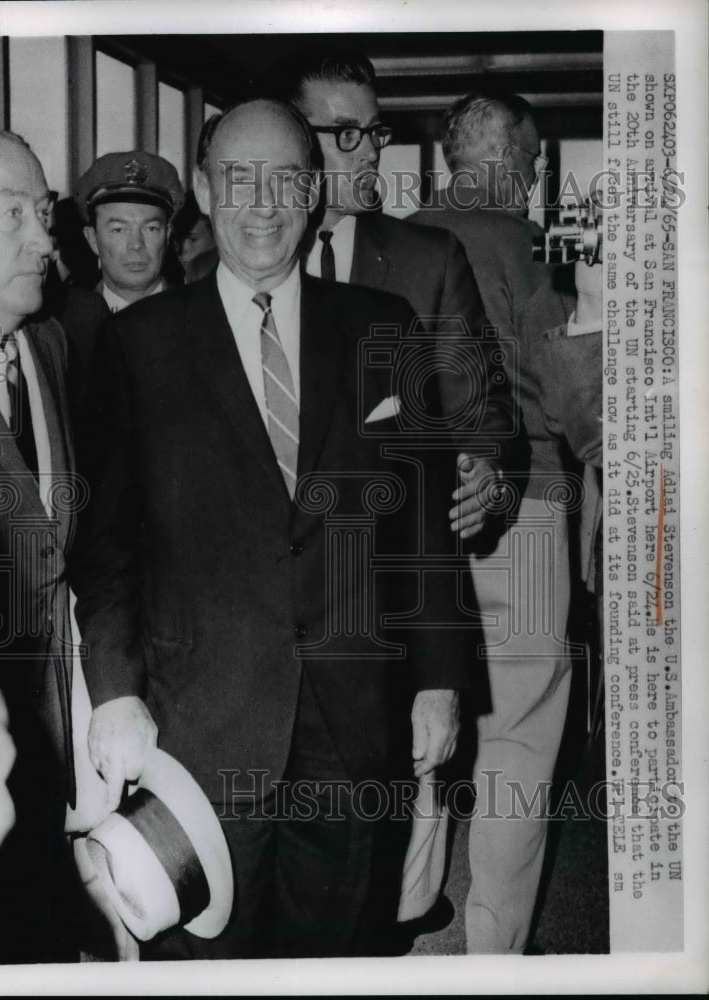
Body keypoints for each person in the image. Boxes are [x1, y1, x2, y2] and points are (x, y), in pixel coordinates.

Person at [71, 98, 472, 959]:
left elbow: (422, 534)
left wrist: (439, 679)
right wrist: (115, 692)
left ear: (314, 190)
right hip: (199, 723)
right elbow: (108, 547)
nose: (262, 203)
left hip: (358, 714)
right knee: (209, 957)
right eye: (239, 180)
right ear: (207, 196)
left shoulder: (382, 325)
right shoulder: (139, 343)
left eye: (285, 178)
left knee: (349, 953)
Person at [410, 94, 578, 955]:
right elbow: (565, 390)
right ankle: (493, 951)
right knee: (516, 736)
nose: (534, 178)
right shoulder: (518, 245)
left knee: (424, 723)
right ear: (510, 163)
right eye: (534, 161)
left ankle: (410, 910)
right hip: (526, 508)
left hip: (421, 518)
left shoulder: (399, 237)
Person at [266, 49, 520, 543]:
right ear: (292, 141)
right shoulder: (234, 268)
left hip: (393, 556)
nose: (370, 152)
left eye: (374, 132)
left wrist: (486, 466)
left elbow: (479, 401)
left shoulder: (430, 260)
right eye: (346, 135)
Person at [0, 130, 79, 963]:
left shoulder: (49, 346)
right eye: (13, 217)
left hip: (46, 740)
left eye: (43, 213)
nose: (44, 240)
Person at [75, 149, 185, 313]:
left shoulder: (199, 318)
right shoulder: (65, 328)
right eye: (118, 230)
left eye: (151, 229)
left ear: (167, 236)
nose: (136, 244)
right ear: (92, 238)